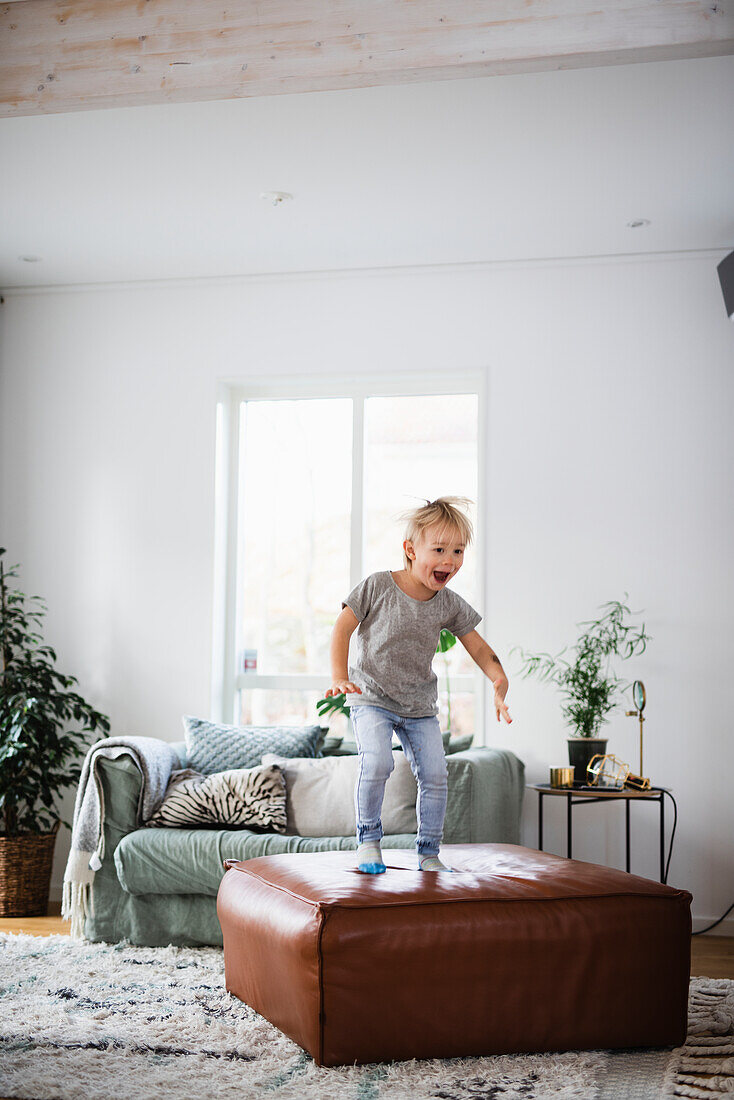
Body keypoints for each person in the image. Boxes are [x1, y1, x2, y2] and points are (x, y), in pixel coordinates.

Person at [325, 496, 512, 874]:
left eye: (458, 551)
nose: (449, 560)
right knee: (376, 763)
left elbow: (478, 647)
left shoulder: (448, 604)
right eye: (439, 550)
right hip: (372, 698)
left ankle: (428, 852)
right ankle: (368, 841)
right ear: (410, 550)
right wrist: (339, 677)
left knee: (436, 774)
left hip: (419, 706)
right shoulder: (378, 586)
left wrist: (499, 679)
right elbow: (342, 626)